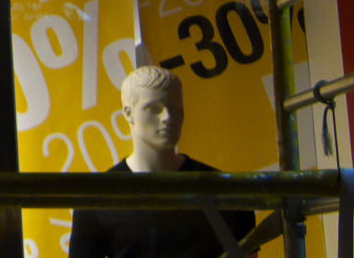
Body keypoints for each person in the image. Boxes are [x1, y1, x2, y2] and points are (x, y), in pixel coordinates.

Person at [68, 66, 255, 258]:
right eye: (154, 109)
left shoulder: (227, 192)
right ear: (128, 113)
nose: (168, 118)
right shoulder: (97, 201)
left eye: (175, 108)